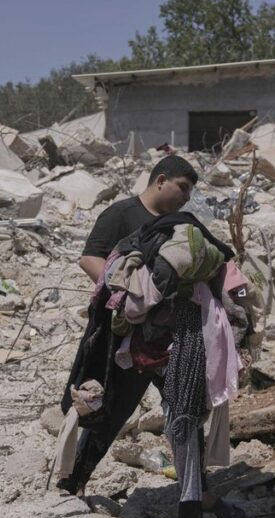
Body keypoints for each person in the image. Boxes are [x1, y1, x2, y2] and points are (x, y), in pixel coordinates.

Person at [58, 155, 196, 494]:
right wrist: (130, 295)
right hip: (124, 339)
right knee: (107, 415)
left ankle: (197, 495)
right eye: (183, 187)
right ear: (160, 180)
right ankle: (70, 486)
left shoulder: (177, 225)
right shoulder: (121, 214)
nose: (186, 197)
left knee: (185, 412)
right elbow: (90, 258)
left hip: (167, 340)